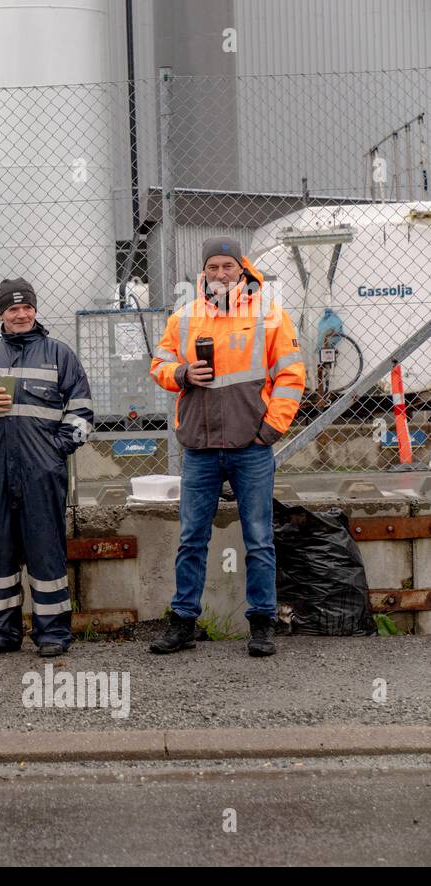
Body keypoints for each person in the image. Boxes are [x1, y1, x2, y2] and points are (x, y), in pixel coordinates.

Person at [148, 237, 306, 657]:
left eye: (228, 267)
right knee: (191, 539)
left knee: (258, 539)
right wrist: (181, 373)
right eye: (213, 267)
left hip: (250, 447)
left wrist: (269, 431)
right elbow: (158, 366)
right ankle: (183, 622)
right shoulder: (184, 318)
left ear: (242, 269)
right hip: (199, 447)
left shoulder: (270, 316)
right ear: (204, 270)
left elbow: (291, 377)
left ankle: (261, 623)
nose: (221, 274)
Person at [0, 278, 94, 657]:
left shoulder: (59, 355)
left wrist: (52, 452)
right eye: (13, 309)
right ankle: (0, 634)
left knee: (46, 551)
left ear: (35, 310)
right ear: (1, 314)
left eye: (26, 307)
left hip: (41, 473)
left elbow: (82, 415)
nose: (21, 314)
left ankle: (53, 635)